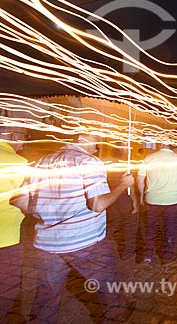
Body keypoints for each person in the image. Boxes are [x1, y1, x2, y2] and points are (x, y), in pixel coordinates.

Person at [12, 133, 134, 323]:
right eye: (96, 139)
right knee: (106, 283)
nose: (99, 144)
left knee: (46, 297)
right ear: (82, 139)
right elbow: (97, 205)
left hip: (47, 243)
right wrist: (121, 186)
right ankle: (115, 314)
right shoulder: (89, 162)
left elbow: (21, 201)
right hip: (85, 241)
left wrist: (48, 211)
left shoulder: (41, 163)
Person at [137, 141, 177, 264]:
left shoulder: (149, 158)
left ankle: (148, 256)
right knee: (170, 229)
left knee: (151, 228)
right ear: (172, 146)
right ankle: (167, 257)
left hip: (152, 200)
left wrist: (141, 195)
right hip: (171, 200)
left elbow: (140, 178)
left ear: (160, 144)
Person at [0, 127, 28, 321]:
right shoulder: (17, 162)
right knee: (6, 291)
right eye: (24, 137)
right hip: (6, 238)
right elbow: (23, 202)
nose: (25, 142)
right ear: (12, 136)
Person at [106, 143, 139, 260]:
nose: (129, 149)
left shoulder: (109, 162)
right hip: (124, 198)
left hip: (112, 198)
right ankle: (128, 252)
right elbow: (130, 185)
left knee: (113, 222)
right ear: (120, 148)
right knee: (130, 225)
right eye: (126, 147)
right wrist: (134, 201)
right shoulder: (125, 163)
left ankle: (102, 244)